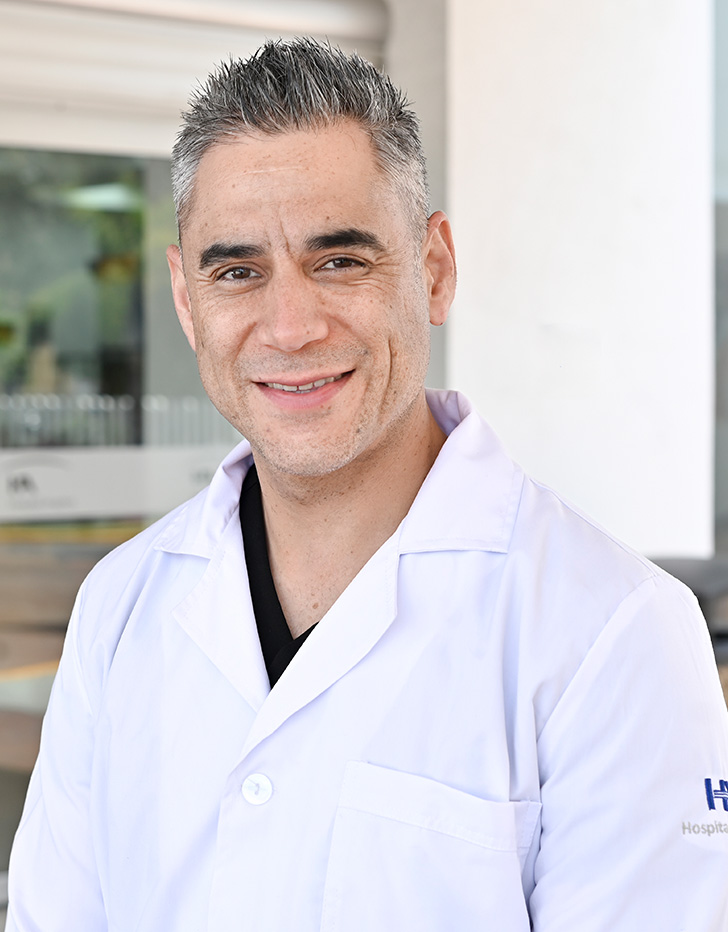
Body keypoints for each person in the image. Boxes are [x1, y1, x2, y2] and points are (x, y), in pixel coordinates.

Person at [7, 38, 728, 932]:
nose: (291, 326)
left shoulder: (613, 635)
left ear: (433, 270)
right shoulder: (120, 606)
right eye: (237, 271)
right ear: (188, 304)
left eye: (339, 260)